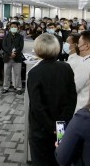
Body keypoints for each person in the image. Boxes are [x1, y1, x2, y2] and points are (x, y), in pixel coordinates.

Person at [27, 33, 76, 166]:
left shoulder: (34, 72)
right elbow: (72, 98)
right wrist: (60, 123)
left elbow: (37, 106)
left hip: (40, 128)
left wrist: (50, 126)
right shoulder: (66, 68)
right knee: (60, 160)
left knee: (41, 160)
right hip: (62, 126)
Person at [1, 22, 24, 95]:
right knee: (6, 73)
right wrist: (10, 53)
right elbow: (4, 46)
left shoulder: (20, 36)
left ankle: (18, 88)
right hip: (7, 57)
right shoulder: (6, 36)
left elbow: (21, 46)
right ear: (10, 28)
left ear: (17, 28)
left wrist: (15, 53)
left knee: (17, 74)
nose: (13, 28)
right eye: (12, 26)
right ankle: (5, 87)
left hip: (17, 58)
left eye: (15, 26)